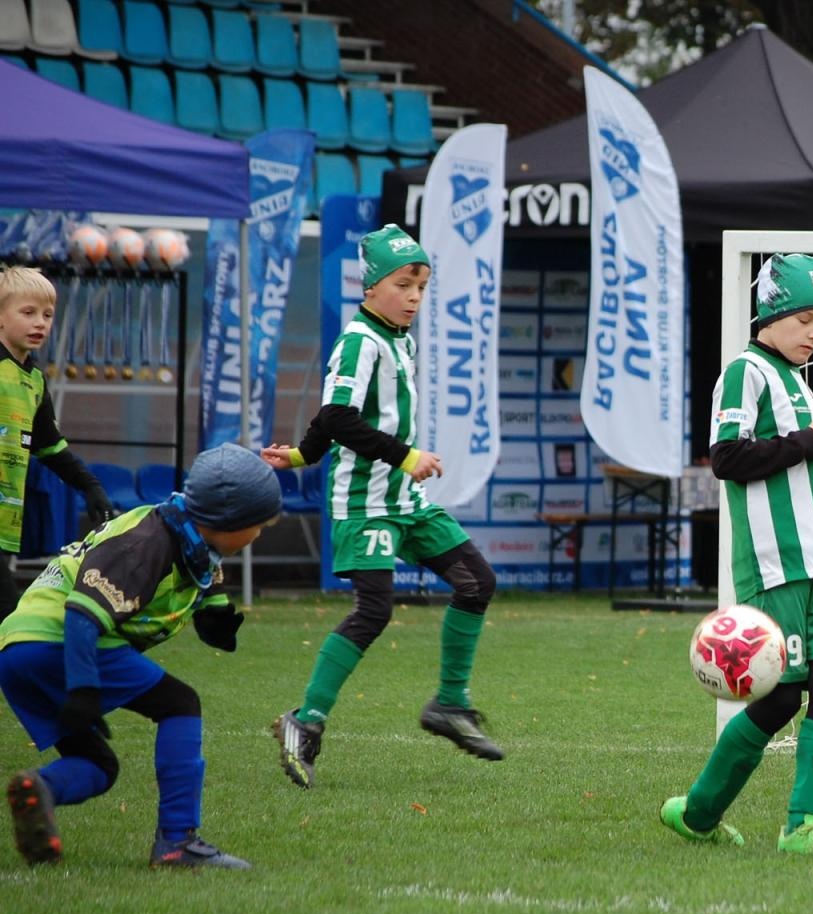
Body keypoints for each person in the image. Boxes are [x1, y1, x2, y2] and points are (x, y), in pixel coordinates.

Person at [262, 224, 500, 788]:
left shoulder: (399, 338)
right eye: (404, 284)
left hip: (405, 499)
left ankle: (449, 703)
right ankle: (306, 721)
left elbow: (329, 418)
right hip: (365, 501)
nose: (415, 297)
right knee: (375, 610)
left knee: (476, 582)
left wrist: (300, 455)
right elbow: (339, 416)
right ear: (372, 288)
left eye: (421, 286)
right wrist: (406, 455)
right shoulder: (359, 341)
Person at [659, 253, 813, 858]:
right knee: (779, 698)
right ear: (770, 314)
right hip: (778, 565)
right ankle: (699, 813)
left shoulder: (796, 379)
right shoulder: (745, 371)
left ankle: (804, 826)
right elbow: (726, 458)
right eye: (804, 319)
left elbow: (811, 488)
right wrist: (808, 441)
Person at [3, 443, 280, 869]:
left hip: (16, 650)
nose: (259, 535)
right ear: (228, 520)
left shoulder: (186, 533)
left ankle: (38, 790)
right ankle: (176, 841)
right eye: (258, 526)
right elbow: (81, 614)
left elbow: (203, 579)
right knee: (179, 704)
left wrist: (218, 620)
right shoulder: (146, 543)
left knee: (98, 764)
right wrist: (83, 687)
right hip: (62, 638)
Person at [0, 266, 116, 621]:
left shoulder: (33, 379)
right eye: (28, 312)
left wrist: (90, 486)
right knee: (10, 616)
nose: (40, 323)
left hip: (5, 522)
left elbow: (51, 448)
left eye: (48, 315)